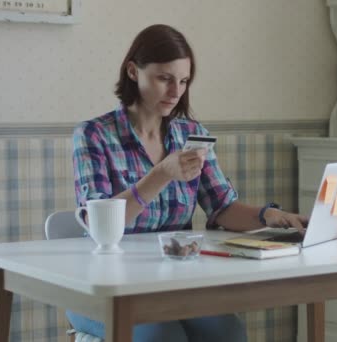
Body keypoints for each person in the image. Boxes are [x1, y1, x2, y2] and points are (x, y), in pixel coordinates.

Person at [71, 24, 308, 342]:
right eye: (164, 78)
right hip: (103, 288)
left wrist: (270, 217)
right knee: (164, 338)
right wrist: (162, 174)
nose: (176, 92)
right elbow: (99, 228)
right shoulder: (94, 135)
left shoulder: (188, 134)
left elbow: (222, 207)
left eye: (183, 81)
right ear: (132, 71)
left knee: (230, 333)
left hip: (172, 284)